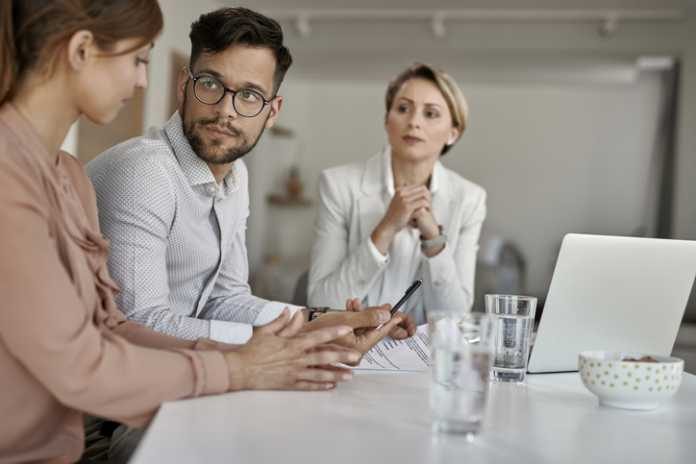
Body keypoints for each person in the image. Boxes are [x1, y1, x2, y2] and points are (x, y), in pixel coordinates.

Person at [0, 2, 395, 462]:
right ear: (82, 50)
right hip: (88, 426)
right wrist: (241, 364)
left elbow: (120, 323)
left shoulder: (69, 175)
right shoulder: (124, 173)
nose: (143, 80)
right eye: (139, 59)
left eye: (249, 96)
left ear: (272, 110)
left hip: (92, 417)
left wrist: (312, 327)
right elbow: (103, 348)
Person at [86, 7, 416, 347]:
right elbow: (140, 324)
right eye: (210, 84)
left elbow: (225, 299)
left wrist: (336, 321)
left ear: (272, 111)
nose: (225, 111)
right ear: (184, 86)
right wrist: (289, 339)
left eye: (249, 95)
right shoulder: (144, 173)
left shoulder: (236, 176)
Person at [308, 63, 487, 325]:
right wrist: (387, 227)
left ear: (452, 134)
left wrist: (434, 240)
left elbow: (455, 318)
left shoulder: (470, 199)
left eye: (430, 113)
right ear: (386, 121)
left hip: (426, 350)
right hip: (349, 346)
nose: (414, 122)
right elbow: (321, 304)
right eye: (403, 109)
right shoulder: (337, 185)